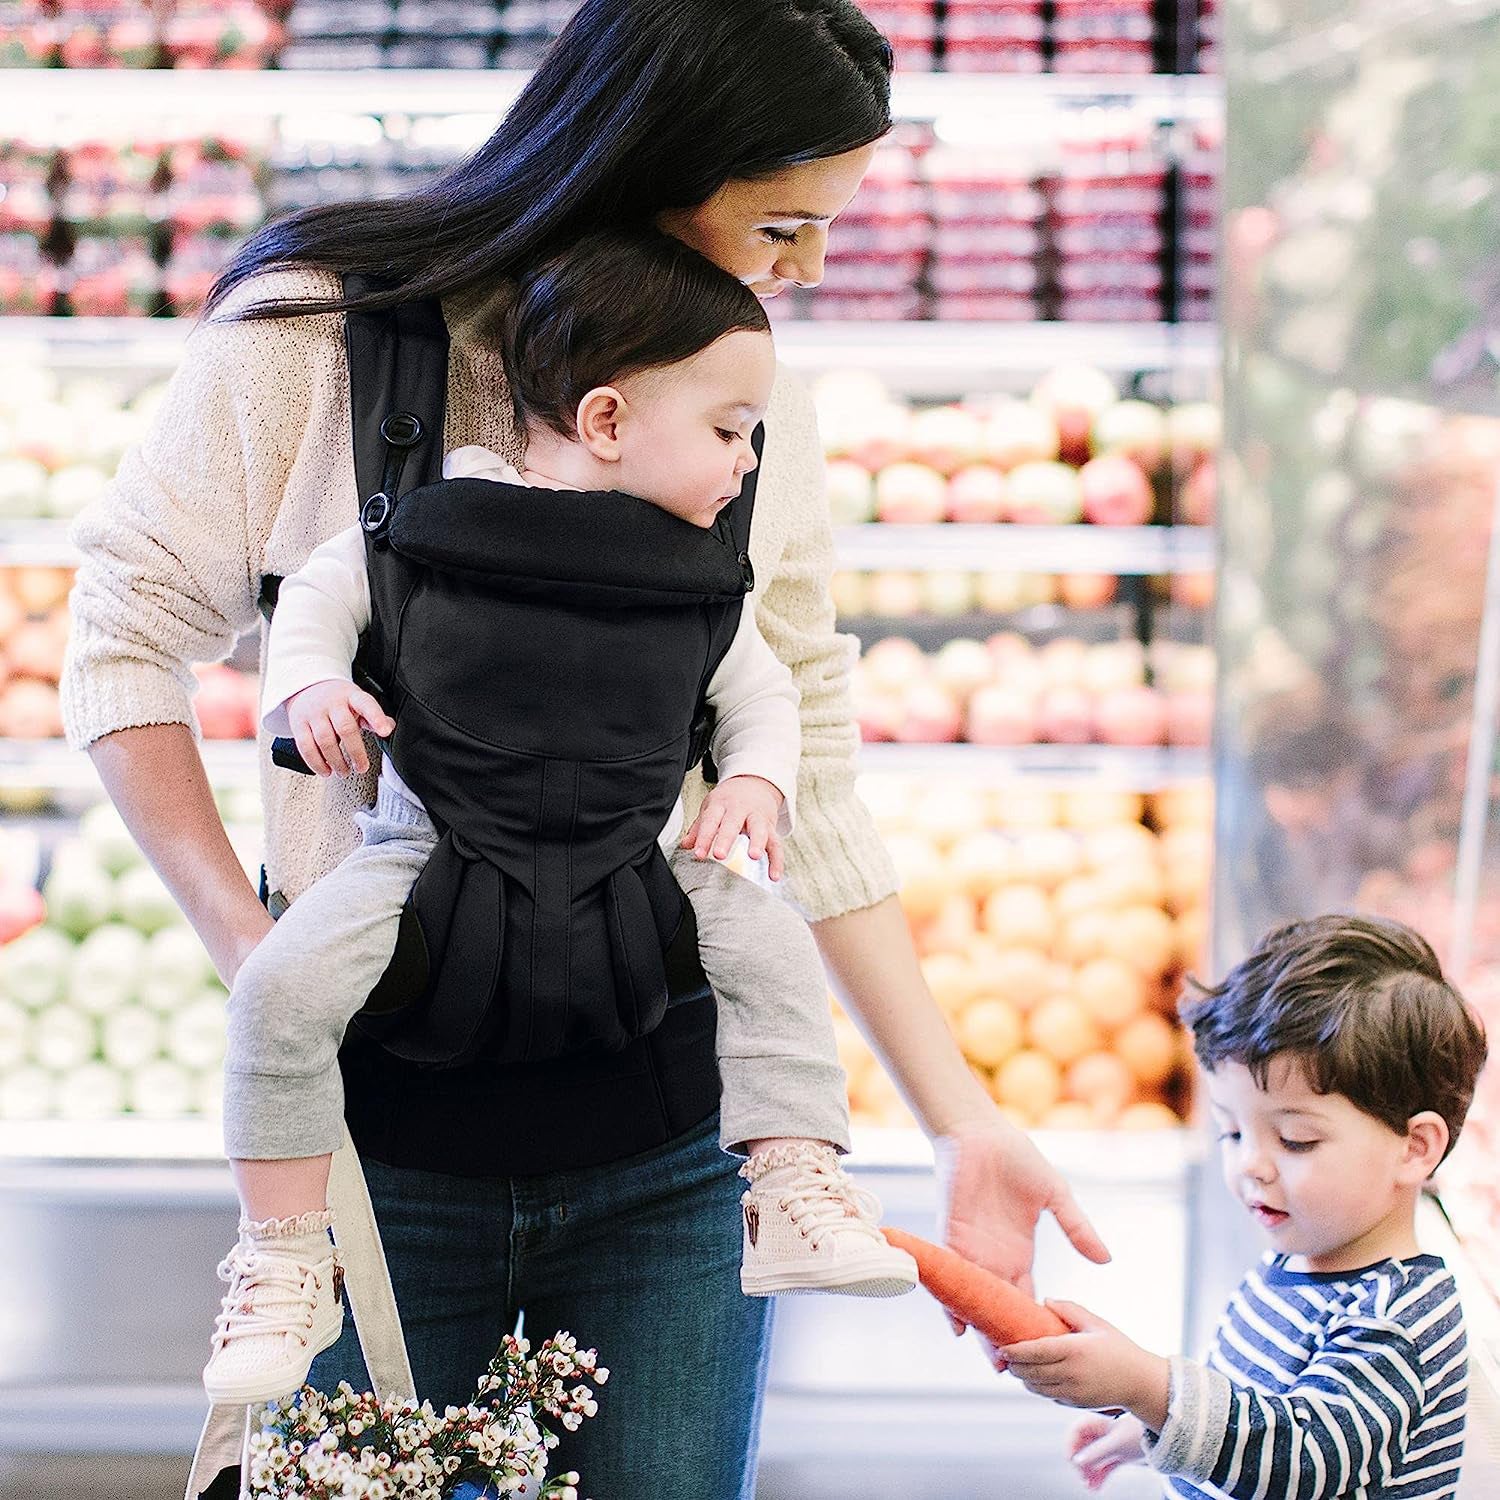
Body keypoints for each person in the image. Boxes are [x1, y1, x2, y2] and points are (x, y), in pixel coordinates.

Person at [61, 2, 1108, 1493]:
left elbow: (800, 774)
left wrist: (962, 1118)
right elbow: (120, 641)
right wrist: (250, 943)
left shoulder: (748, 405)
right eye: (788, 222)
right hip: (373, 1161)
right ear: (659, 165)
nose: (807, 268)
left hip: (669, 1163)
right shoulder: (326, 330)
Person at [204, 228, 920, 1405]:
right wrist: (313, 685)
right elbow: (329, 598)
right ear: (604, 423)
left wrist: (756, 780)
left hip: (633, 865)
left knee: (771, 941)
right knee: (277, 989)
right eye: (731, 431)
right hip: (429, 858)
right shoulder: (441, 517)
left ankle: (793, 1177)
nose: (749, 464)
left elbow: (762, 692)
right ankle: (284, 1250)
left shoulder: (693, 577)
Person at [999, 914, 1486, 1500]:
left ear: (1414, 1148)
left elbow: (1303, 1461)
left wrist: (1149, 1387)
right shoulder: (1299, 1260)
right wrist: (1150, 1430)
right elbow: (1250, 1412)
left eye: (1295, 1139)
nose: (1250, 1164)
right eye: (1232, 1133)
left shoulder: (1394, 1319)